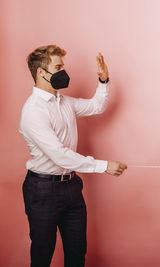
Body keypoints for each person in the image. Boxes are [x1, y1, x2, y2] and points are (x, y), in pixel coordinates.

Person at [19, 45, 127, 267]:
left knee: (77, 253)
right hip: (42, 190)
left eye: (63, 66)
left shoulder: (64, 102)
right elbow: (60, 156)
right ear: (41, 73)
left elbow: (97, 106)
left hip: (71, 187)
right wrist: (103, 166)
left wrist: (103, 81)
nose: (63, 72)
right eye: (58, 67)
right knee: (42, 255)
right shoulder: (33, 112)